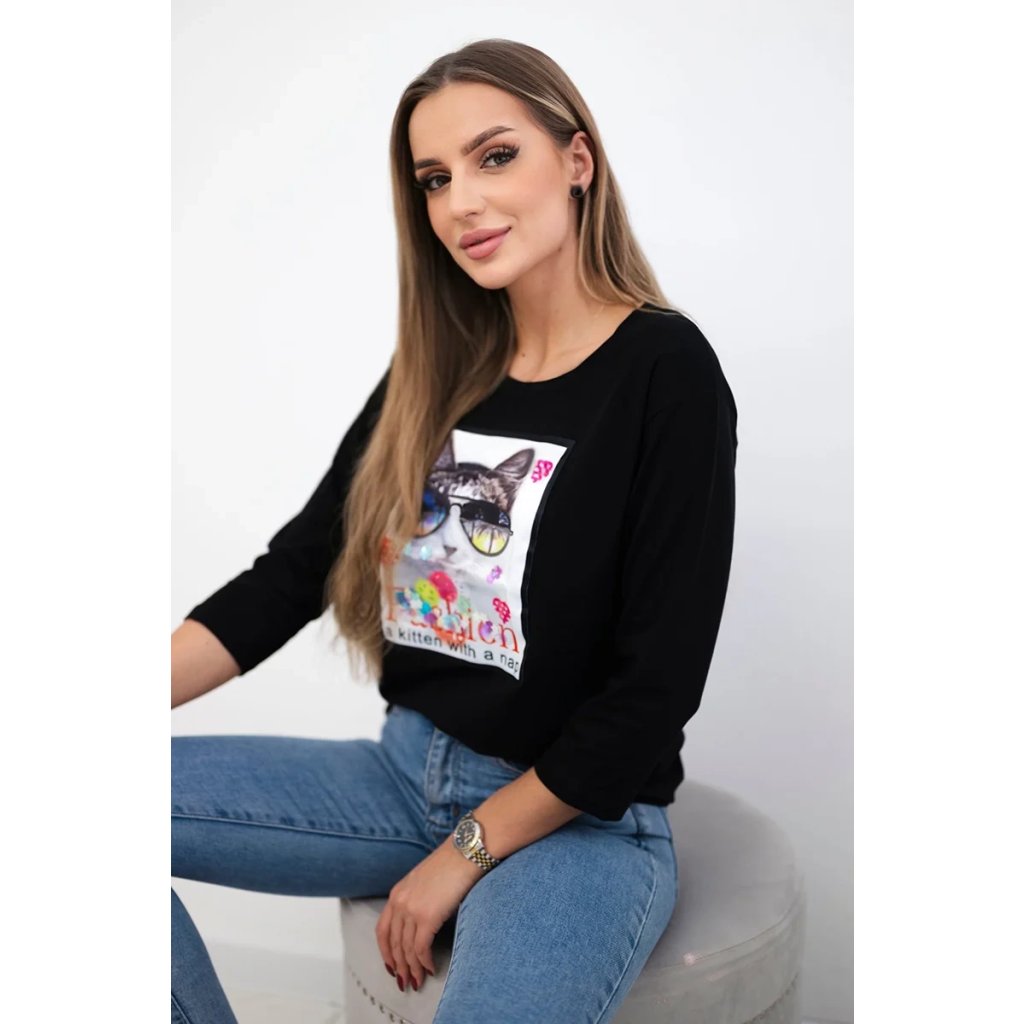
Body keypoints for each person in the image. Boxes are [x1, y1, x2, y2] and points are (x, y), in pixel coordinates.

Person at [172, 36, 738, 1024]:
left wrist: (464, 853)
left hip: (576, 818)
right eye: (435, 179)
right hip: (403, 773)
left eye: (495, 157)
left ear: (577, 159)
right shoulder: (438, 369)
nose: (462, 202)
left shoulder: (665, 372)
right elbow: (292, 574)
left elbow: (650, 696)